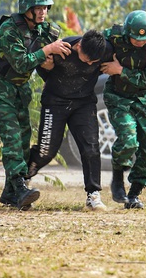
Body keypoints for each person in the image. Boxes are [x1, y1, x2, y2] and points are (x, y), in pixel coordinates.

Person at [0, 0, 71, 210]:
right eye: (37, 8)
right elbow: (21, 62)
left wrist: (50, 61)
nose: (42, 12)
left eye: (45, 8)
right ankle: (20, 188)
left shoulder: (45, 31)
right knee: (12, 138)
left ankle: (10, 194)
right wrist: (46, 50)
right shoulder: (9, 29)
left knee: (22, 140)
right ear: (27, 10)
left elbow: (44, 63)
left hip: (20, 90)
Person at [25, 29, 112, 211]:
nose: (89, 63)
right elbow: (40, 64)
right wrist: (46, 67)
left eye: (93, 62)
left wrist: (117, 67)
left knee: (91, 148)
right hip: (55, 102)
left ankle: (93, 194)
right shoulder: (61, 49)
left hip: (84, 103)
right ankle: (22, 182)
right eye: (86, 59)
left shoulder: (105, 50)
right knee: (46, 151)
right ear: (78, 45)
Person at [101, 10, 146, 209]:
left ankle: (134, 194)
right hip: (120, 98)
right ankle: (117, 179)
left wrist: (120, 70)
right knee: (129, 140)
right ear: (126, 33)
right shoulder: (112, 37)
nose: (140, 42)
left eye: (144, 39)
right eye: (135, 38)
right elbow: (90, 46)